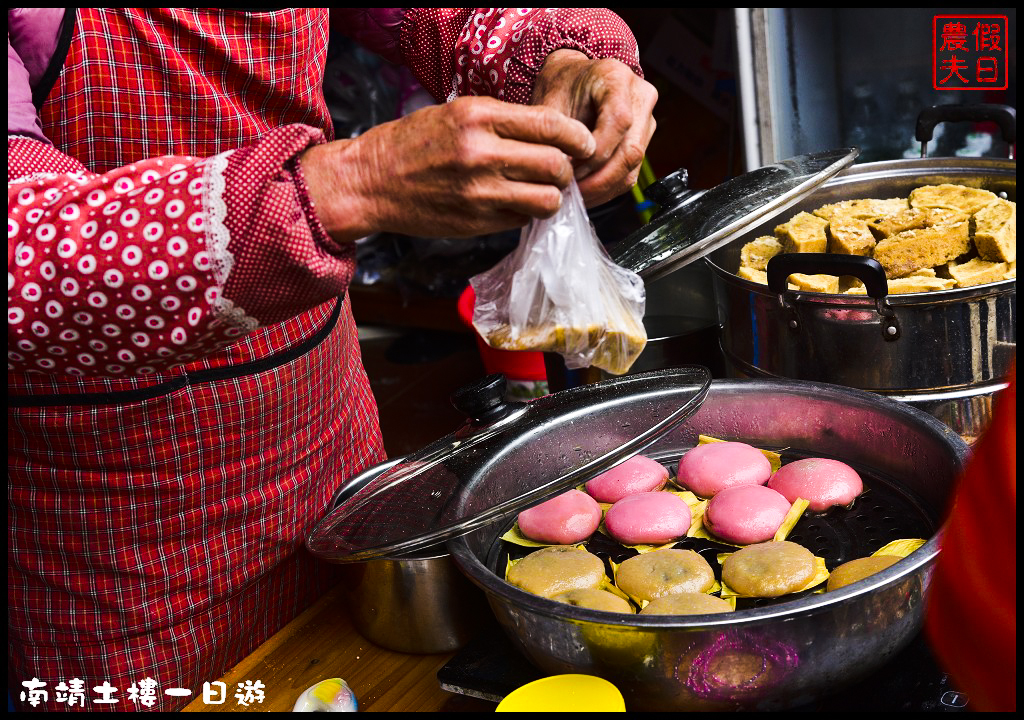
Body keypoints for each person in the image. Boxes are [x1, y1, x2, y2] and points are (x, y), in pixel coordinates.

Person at [7, 8, 657, 712]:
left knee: (361, 677)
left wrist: (558, 61)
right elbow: (22, 254)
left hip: (326, 434)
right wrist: (354, 184)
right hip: (114, 521)